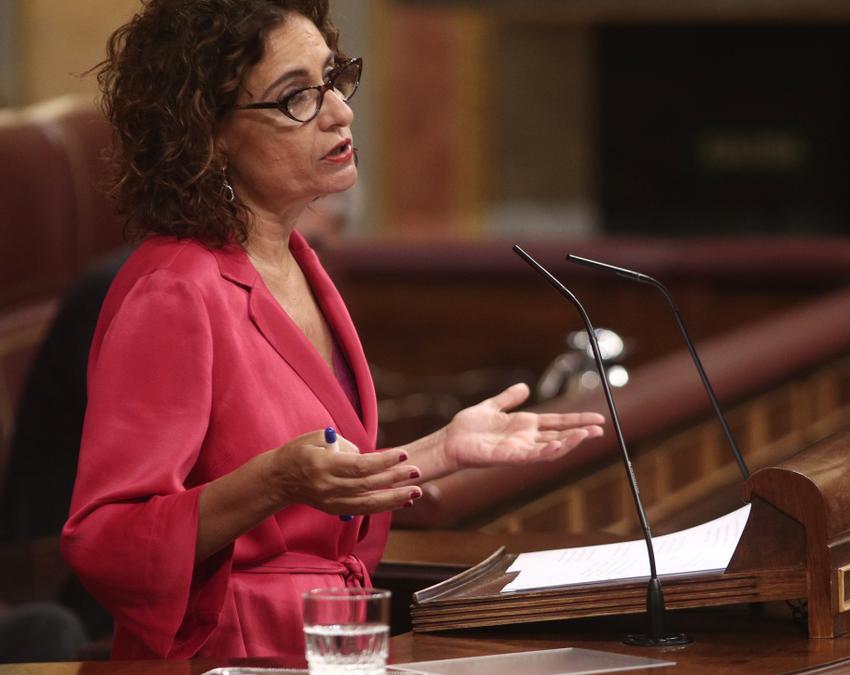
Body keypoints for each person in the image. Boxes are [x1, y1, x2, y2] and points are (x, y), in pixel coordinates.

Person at [60, 0, 605, 660]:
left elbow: (320, 475)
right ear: (209, 133)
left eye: (333, 79)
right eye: (296, 99)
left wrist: (439, 450)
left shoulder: (298, 260)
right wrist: (273, 480)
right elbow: (106, 542)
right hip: (231, 652)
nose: (341, 113)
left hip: (331, 639)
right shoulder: (175, 288)